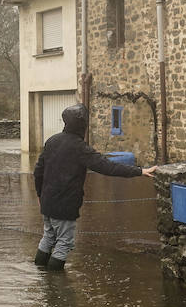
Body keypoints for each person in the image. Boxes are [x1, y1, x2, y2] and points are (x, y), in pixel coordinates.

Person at [33, 104, 157, 270]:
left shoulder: (52, 141)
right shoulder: (80, 148)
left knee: (48, 237)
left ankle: (40, 275)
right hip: (65, 205)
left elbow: (38, 172)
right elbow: (107, 167)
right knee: (64, 243)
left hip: (47, 202)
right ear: (82, 126)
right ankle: (54, 286)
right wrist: (140, 171)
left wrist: (40, 195)